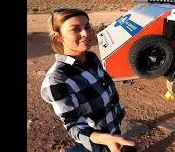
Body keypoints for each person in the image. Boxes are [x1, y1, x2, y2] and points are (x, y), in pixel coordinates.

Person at [40, 8, 136, 152]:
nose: (85, 33)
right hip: (95, 142)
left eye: (87, 27)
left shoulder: (91, 58)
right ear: (59, 36)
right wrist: (105, 139)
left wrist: (118, 112)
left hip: (113, 129)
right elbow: (73, 125)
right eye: (75, 29)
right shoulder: (57, 79)